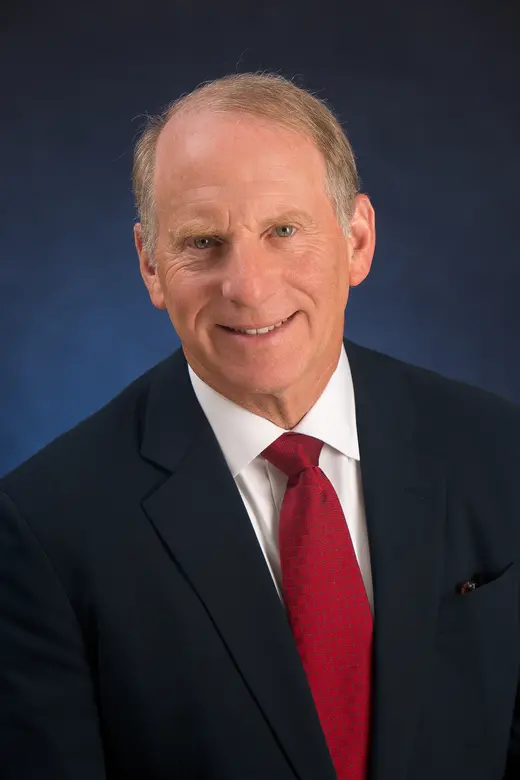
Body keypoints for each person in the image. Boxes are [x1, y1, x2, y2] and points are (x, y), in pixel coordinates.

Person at [0, 72, 519, 780]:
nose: (247, 285)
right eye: (203, 242)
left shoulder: (500, 452)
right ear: (151, 265)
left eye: (283, 230)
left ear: (357, 240)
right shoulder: (44, 529)